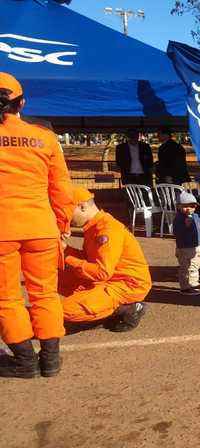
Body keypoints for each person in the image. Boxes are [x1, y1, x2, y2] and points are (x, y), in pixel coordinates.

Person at [0, 72, 74, 378]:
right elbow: (62, 188)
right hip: (42, 227)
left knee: (7, 297)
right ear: (22, 103)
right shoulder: (45, 137)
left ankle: (24, 360)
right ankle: (51, 360)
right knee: (45, 293)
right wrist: (63, 225)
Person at [60, 187, 151, 332]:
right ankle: (101, 306)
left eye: (67, 212)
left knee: (62, 311)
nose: (65, 218)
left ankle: (126, 308)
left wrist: (67, 256)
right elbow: (89, 260)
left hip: (126, 285)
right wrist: (64, 249)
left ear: (82, 206)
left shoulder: (106, 229)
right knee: (56, 275)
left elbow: (101, 272)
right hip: (110, 279)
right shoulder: (94, 226)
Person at [174, 192, 200, 295]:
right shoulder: (179, 218)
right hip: (184, 247)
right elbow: (176, 232)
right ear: (179, 206)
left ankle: (193, 283)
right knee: (186, 267)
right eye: (185, 206)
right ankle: (186, 287)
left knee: (194, 266)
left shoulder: (195, 216)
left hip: (195, 246)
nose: (189, 209)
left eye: (192, 206)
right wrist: (185, 226)